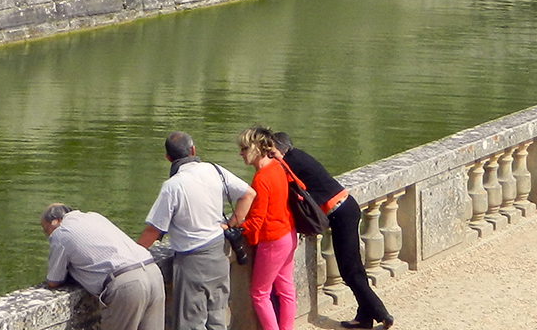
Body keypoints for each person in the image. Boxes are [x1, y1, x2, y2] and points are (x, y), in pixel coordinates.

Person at [272, 131, 393, 329]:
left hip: (340, 213)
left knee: (349, 271)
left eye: (272, 151)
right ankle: (364, 317)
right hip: (346, 207)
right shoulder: (297, 157)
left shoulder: (289, 163)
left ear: (281, 150)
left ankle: (381, 313)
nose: (269, 156)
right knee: (354, 267)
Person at [137, 130, 255, 330]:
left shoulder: (172, 186)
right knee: (217, 318)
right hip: (219, 255)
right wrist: (232, 223)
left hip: (192, 262)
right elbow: (249, 194)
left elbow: (154, 230)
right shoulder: (214, 170)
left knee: (191, 322)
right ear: (193, 150)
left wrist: (133, 254)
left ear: (168, 158)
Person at [40, 203, 165, 330]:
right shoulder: (94, 217)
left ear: (55, 221)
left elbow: (53, 281)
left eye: (46, 230)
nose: (49, 236)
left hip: (127, 284)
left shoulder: (61, 233)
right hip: (153, 272)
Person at [233, 127, 296, 330]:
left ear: (255, 149)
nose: (240, 153)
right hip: (288, 233)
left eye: (243, 148)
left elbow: (256, 222)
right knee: (286, 290)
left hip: (273, 240)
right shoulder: (278, 166)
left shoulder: (261, 178)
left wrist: (234, 226)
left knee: (259, 294)